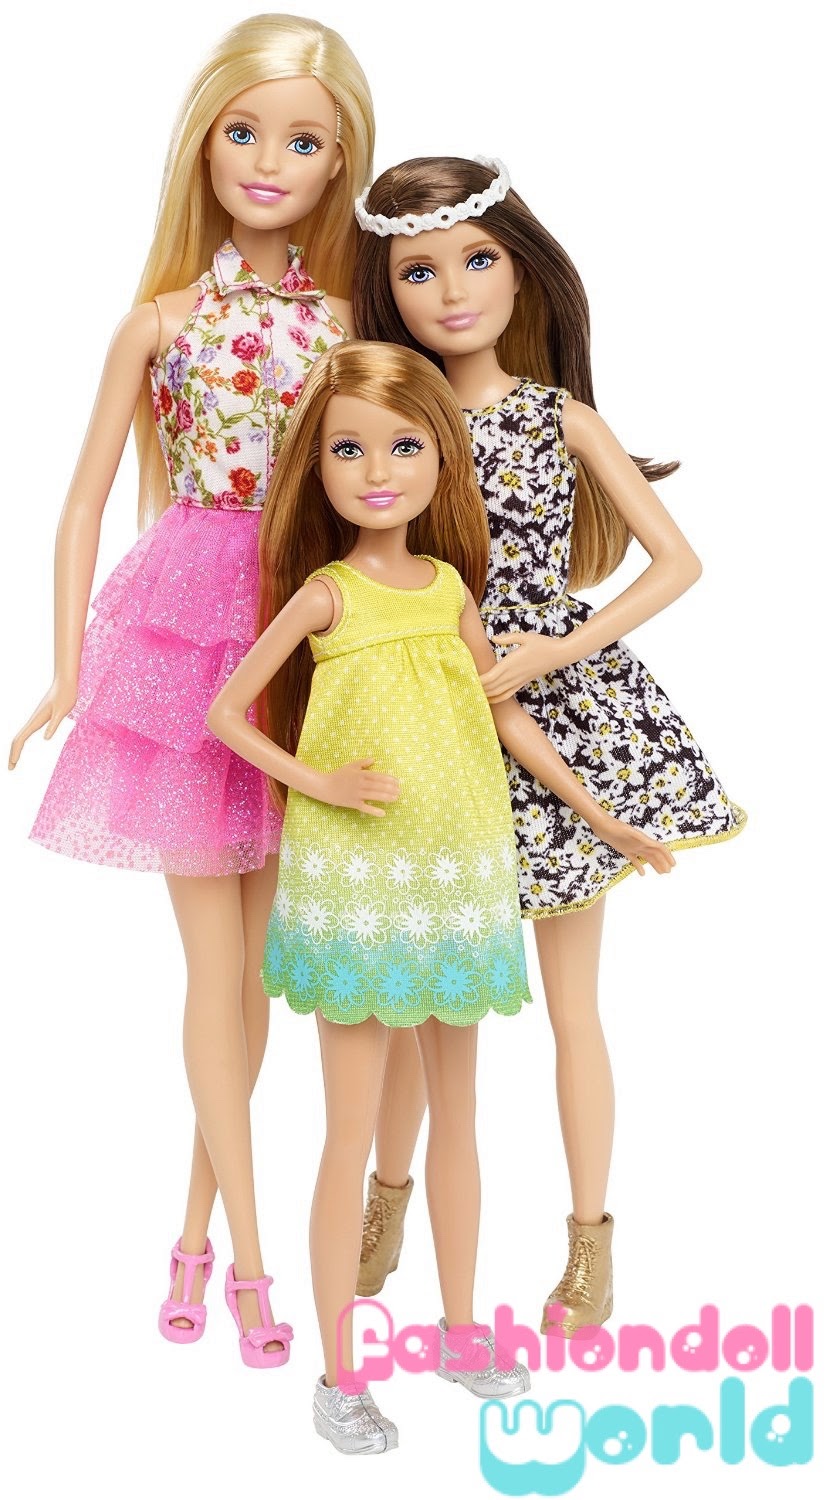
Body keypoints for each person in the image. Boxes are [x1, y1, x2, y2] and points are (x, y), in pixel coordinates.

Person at [203, 338, 673, 1450]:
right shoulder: (326, 595)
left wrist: (600, 814)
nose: (378, 472)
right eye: (349, 450)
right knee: (349, 1130)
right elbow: (226, 713)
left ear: (442, 459)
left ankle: (463, 1333)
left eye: (404, 447)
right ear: (316, 466)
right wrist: (318, 780)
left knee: (459, 1116)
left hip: (459, 873)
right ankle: (340, 1376)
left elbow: (502, 713)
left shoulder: (454, 588)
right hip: (358, 881)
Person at [8, 13, 374, 1362]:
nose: (268, 161)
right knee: (212, 966)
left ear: (339, 165)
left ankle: (190, 1231)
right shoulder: (157, 323)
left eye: (302, 142)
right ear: (202, 144)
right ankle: (251, 1263)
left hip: (304, 631)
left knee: (263, 969)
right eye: (244, 132)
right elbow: (83, 500)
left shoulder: (349, 326)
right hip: (178, 639)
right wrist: (66, 666)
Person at [351, 156, 746, 1336]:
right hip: (428, 709)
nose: (451, 292)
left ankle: (589, 1242)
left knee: (573, 1004)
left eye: (476, 260)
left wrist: (556, 651)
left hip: (554, 700)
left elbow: (676, 561)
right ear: (386, 291)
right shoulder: (394, 415)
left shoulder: (557, 417)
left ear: (522, 272)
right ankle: (386, 1200)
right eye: (418, 272)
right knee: (423, 999)